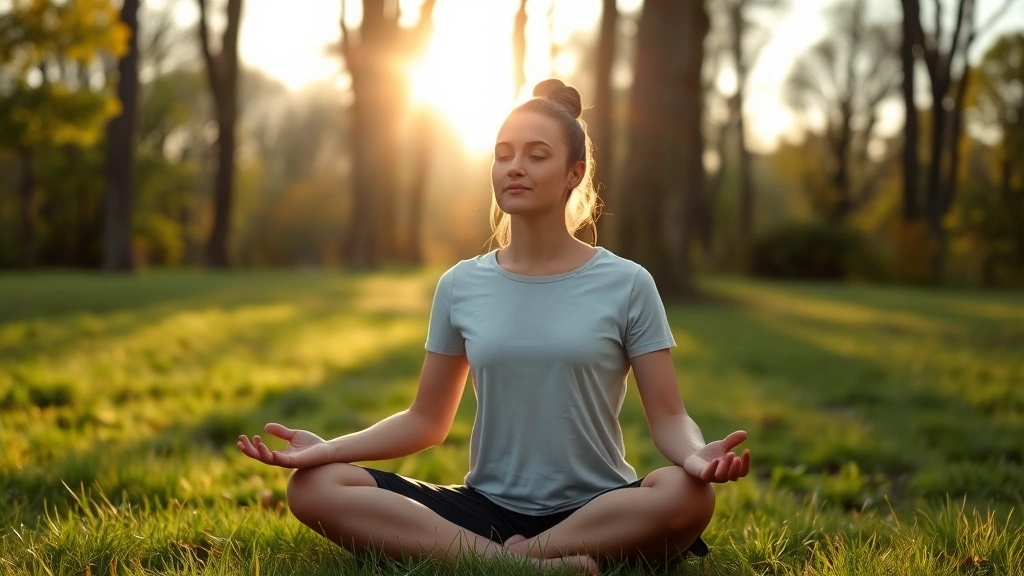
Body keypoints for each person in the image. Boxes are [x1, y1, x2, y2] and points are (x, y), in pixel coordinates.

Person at [237, 78, 751, 574]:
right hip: (485, 510)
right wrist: (329, 449)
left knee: (686, 494)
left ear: (575, 173)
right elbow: (426, 420)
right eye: (503, 154)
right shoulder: (461, 285)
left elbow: (668, 417)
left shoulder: (628, 283)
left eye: (536, 155)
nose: (515, 167)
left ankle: (502, 559)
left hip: (598, 507)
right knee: (312, 487)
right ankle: (516, 563)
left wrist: (693, 454)